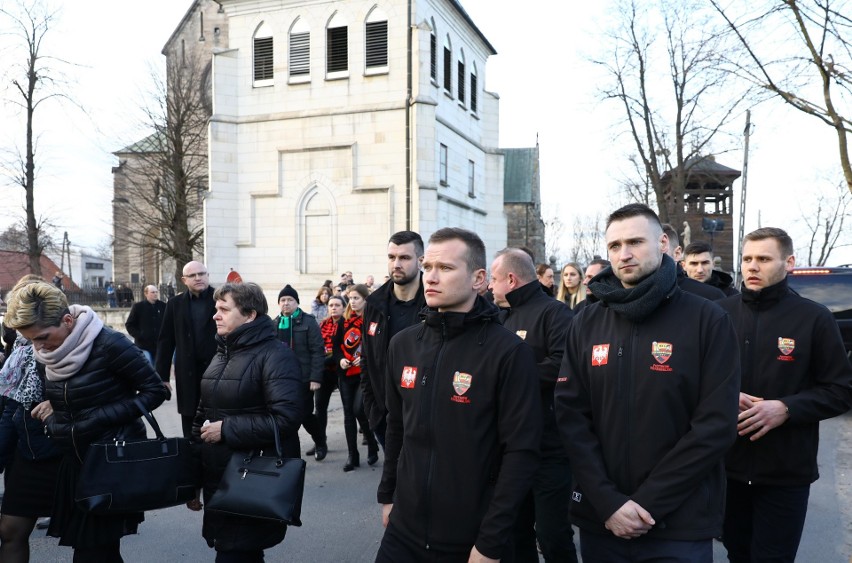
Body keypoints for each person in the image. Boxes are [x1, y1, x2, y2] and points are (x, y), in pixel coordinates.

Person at [554, 203, 740, 562]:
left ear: (664, 243)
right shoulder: (587, 322)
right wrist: (608, 502)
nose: (624, 254)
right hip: (602, 521)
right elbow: (571, 417)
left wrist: (646, 503)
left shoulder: (708, 318)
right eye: (614, 246)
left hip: (679, 524)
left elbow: (715, 426)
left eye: (636, 242)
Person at [376, 227, 542, 562]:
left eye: (446, 268)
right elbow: (396, 426)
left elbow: (521, 452)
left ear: (479, 278)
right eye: (428, 268)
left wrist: (491, 541)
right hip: (403, 532)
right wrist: (388, 494)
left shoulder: (508, 352)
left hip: (471, 540)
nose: (431, 278)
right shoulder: (404, 344)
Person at [5, 281, 168, 562]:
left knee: (94, 551)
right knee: (92, 550)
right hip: (74, 460)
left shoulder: (109, 344)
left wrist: (95, 416)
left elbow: (156, 391)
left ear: (68, 321)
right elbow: (72, 394)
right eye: (31, 340)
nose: (38, 346)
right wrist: (54, 403)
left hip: (109, 460)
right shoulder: (47, 351)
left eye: (43, 336)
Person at [718, 227, 852, 563]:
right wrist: (725, 396)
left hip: (786, 472)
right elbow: (695, 380)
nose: (751, 266)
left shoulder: (814, 318)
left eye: (763, 259)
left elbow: (841, 390)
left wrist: (787, 408)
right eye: (747, 258)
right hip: (726, 467)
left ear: (788, 262)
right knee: (737, 554)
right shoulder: (720, 314)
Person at [191, 282, 304, 563]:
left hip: (251, 478)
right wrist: (191, 476)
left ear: (250, 315)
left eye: (224, 309)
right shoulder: (221, 353)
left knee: (236, 553)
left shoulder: (276, 356)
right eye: (216, 309)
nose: (215, 315)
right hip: (218, 477)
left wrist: (227, 430)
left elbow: (286, 418)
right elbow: (202, 416)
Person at [489, 248, 577, 563]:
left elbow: (562, 365)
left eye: (494, 279)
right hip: (509, 450)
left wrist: (508, 378)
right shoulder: (497, 316)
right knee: (514, 532)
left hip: (549, 448)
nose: (489, 287)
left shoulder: (554, 314)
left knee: (553, 535)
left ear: (511, 279)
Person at [0, 277, 63, 563]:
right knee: (11, 530)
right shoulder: (21, 349)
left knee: (93, 546)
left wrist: (62, 402)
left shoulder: (93, 342)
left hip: (76, 453)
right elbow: (11, 406)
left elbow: (140, 391)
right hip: (31, 449)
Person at [361, 230, 426, 449]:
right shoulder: (374, 304)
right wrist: (372, 411)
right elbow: (367, 360)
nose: (396, 264)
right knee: (394, 479)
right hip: (385, 417)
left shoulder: (435, 304)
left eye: (404, 258)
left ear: (420, 261)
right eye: (391, 257)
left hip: (424, 418)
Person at [155, 261, 217, 437]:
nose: (198, 278)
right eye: (192, 275)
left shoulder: (220, 299)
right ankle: (191, 457)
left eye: (202, 274)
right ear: (184, 280)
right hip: (186, 372)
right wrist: (162, 377)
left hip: (217, 371)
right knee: (190, 422)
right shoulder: (175, 304)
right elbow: (165, 341)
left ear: (207, 276)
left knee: (216, 415)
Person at [273, 285, 327, 461]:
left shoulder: (308, 322)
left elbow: (318, 351)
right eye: (283, 300)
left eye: (290, 300)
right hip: (281, 380)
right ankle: (288, 454)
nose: (286, 303)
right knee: (284, 416)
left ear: (297, 303)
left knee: (304, 415)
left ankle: (320, 441)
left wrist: (315, 378)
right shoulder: (274, 324)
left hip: (303, 378)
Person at [332, 284, 378, 471]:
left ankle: (372, 443)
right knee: (348, 415)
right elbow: (335, 347)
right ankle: (353, 455)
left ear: (365, 299)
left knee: (359, 409)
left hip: (364, 374)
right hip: (345, 374)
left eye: (357, 298)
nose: (353, 301)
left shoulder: (372, 321)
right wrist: (341, 359)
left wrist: (365, 359)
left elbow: (377, 347)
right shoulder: (343, 321)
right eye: (351, 298)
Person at [314, 296, 345, 459]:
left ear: (343, 307)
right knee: (319, 408)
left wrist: (328, 357)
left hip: (342, 371)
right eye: (331, 305)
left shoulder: (347, 324)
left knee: (352, 409)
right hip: (324, 372)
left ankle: (368, 439)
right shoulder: (323, 324)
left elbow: (343, 349)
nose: (334, 308)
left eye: (337, 305)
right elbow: (318, 346)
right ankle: (320, 441)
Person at [661, 225, 726, 301]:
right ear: (683, 265)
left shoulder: (720, 295)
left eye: (705, 263)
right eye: (694, 264)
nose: (700, 270)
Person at [124, 285, 166, 365]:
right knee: (148, 367)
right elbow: (129, 325)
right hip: (143, 346)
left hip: (159, 346)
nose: (155, 294)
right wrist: (140, 335)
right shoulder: (138, 307)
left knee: (158, 369)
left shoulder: (163, 306)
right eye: (153, 292)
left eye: (156, 292)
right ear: (146, 294)